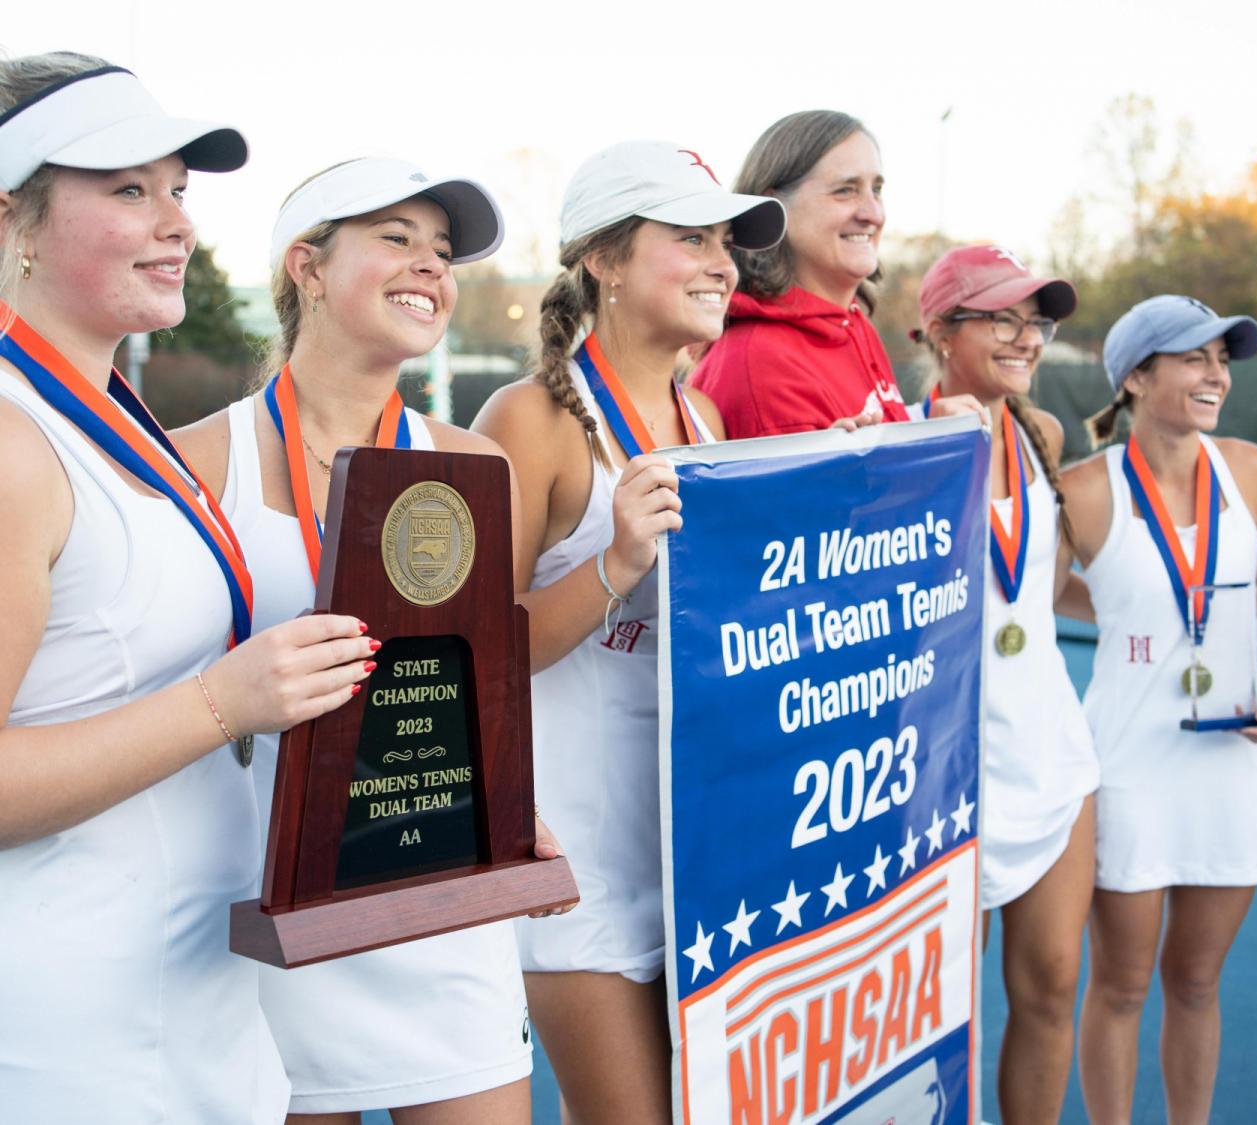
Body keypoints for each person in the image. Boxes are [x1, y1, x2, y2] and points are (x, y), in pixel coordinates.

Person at [0, 54, 374, 1121]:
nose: (175, 223)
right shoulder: (13, 443)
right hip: (75, 1033)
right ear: (13, 220)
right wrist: (224, 704)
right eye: (127, 189)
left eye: (179, 191)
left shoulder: (115, 415)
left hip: (202, 998)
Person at [172, 157, 565, 1124]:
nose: (430, 266)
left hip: (434, 891)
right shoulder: (189, 461)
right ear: (305, 266)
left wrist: (509, 806)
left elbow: (478, 677)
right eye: (396, 238)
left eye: (442, 252)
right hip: (272, 916)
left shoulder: (474, 464)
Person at [470, 140, 785, 1124]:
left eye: (726, 240)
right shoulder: (530, 418)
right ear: (603, 257)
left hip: (694, 851)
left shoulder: (706, 420)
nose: (722, 262)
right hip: (576, 860)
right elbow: (472, 661)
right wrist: (614, 562)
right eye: (689, 236)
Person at [1060, 295, 1257, 1124]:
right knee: (1119, 985)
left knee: (1196, 980)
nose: (1215, 375)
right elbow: (1035, 588)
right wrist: (1127, 611)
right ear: (1135, 377)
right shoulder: (1082, 488)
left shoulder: (1250, 467)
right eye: (1195, 358)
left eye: (1222, 360)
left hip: (1229, 759)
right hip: (1126, 764)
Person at [912, 244, 1100, 1122]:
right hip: (945, 766)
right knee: (947, 1013)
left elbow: (1036, 581)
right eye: (1003, 317)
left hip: (1050, 747)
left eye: (1037, 320)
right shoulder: (897, 437)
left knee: (1054, 987)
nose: (1026, 337)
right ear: (940, 329)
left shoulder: (1041, 432)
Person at [691, 109, 910, 436]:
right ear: (772, 206)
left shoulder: (853, 323)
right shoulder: (762, 363)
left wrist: (944, 429)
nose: (873, 213)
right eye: (845, 190)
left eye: (876, 190)